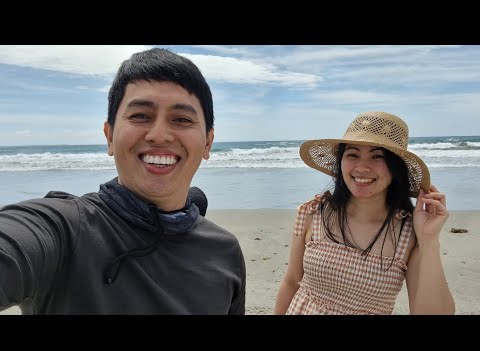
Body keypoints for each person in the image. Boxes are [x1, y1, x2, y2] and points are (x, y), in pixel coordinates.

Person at [0, 47, 246, 315]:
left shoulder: (225, 252)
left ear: (208, 143)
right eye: (140, 116)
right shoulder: (64, 230)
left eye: (182, 119)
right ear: (109, 136)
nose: (159, 134)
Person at [275, 111, 455, 315]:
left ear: (396, 167)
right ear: (340, 161)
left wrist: (430, 240)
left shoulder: (409, 234)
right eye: (352, 154)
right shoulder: (313, 212)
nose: (361, 167)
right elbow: (291, 282)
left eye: (377, 156)